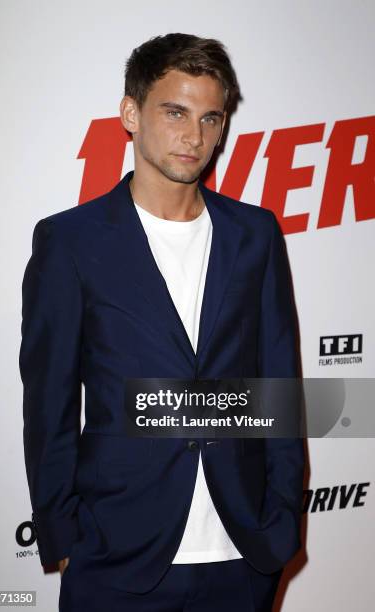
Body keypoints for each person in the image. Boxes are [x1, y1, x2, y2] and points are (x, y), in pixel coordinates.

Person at [19, 33, 305, 612]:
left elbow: (280, 384)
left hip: (241, 551)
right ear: (131, 112)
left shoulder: (255, 235)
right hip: (117, 555)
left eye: (210, 118)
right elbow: (48, 402)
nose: (194, 136)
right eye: (175, 112)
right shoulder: (70, 242)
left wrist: (282, 519)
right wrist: (64, 535)